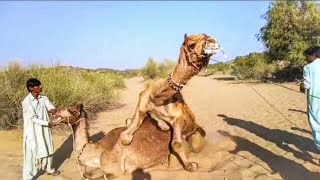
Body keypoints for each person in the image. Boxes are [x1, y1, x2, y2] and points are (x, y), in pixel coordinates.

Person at [22, 78, 60, 180]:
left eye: (40, 85)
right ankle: (27, 177)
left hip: (45, 129)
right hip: (33, 131)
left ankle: (50, 169)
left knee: (49, 148)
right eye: (38, 86)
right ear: (31, 88)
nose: (40, 87)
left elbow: (50, 107)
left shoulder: (44, 98)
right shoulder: (27, 102)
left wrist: (54, 111)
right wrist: (48, 122)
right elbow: (33, 119)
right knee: (31, 153)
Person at [300, 46, 320, 151]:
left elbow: (307, 84)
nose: (306, 58)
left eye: (307, 56)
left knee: (316, 124)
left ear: (313, 55)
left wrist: (301, 86)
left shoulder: (308, 67)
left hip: (315, 100)